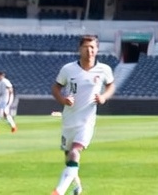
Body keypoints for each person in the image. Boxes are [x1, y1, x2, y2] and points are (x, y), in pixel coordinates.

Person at [50, 35, 115, 195]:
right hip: (69, 120)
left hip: (86, 121)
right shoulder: (68, 69)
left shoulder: (104, 69)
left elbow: (110, 85)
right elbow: (56, 88)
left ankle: (59, 191)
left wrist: (104, 97)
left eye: (92, 47)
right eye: (86, 47)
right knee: (69, 158)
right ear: (80, 49)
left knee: (75, 152)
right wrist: (63, 100)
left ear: (97, 49)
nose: (89, 50)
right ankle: (77, 187)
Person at [0, 70, 17, 134]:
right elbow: (1, 92)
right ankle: (13, 127)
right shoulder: (0, 82)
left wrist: (9, 100)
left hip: (5, 100)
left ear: (1, 75)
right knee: (1, 113)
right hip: (2, 99)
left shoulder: (5, 81)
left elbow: (10, 89)